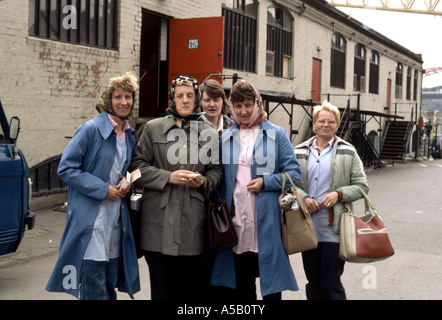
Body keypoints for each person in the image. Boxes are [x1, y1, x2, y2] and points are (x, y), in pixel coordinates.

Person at [46, 72, 141, 299]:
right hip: (90, 217)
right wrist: (102, 189)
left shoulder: (129, 134)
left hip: (115, 218)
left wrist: (125, 183)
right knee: (93, 286)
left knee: (109, 284)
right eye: (118, 96)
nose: (123, 102)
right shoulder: (90, 129)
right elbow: (66, 168)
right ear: (109, 100)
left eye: (128, 97)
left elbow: (123, 170)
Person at [129, 74, 223, 300]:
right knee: (161, 290)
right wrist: (167, 177)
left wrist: (203, 181)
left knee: (190, 291)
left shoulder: (209, 133)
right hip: (157, 226)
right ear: (172, 98)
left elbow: (217, 171)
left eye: (190, 95)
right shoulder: (153, 128)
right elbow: (136, 167)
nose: (185, 100)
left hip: (193, 225)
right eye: (179, 95)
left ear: (197, 98)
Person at [210, 80, 301, 300]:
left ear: (257, 104)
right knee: (242, 284)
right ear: (231, 107)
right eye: (238, 106)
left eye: (248, 105)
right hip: (236, 222)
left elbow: (294, 174)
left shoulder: (276, 134)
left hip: (267, 221)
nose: (243, 111)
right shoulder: (226, 136)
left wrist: (265, 182)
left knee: (271, 286)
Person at [293, 101, 369, 300]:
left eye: (331, 121)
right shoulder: (299, 151)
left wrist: (339, 194)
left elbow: (362, 186)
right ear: (314, 123)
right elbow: (289, 185)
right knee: (313, 283)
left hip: (335, 231)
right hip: (307, 229)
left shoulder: (348, 151)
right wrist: (304, 198)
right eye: (321, 121)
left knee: (331, 283)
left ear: (336, 124)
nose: (325, 125)